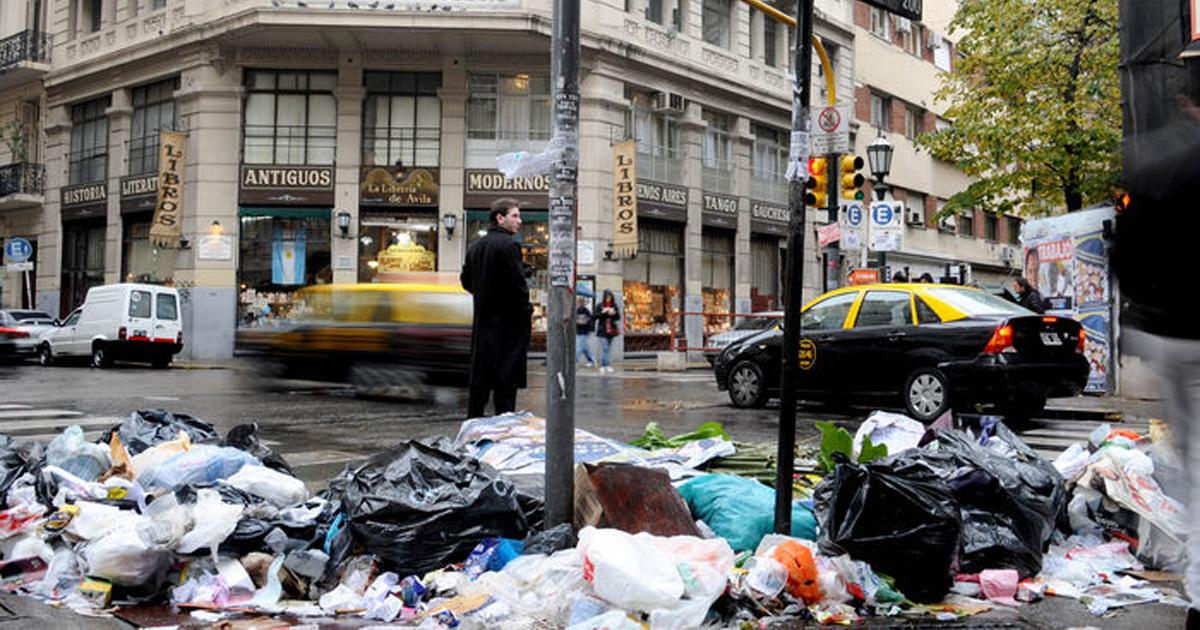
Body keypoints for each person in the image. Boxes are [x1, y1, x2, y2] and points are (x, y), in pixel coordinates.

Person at [1116, 98, 1200, 628]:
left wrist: (1143, 316)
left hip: (1169, 336)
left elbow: (1124, 249)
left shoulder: (1153, 161)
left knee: (1196, 463)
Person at [460, 198, 531, 418]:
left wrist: (484, 294)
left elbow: (465, 281)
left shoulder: (475, 246)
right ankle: (501, 441)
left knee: (478, 394)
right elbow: (519, 286)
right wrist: (526, 310)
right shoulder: (510, 245)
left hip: (483, 330)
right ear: (500, 218)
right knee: (505, 396)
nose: (519, 221)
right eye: (515, 216)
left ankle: (471, 438)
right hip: (507, 331)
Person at [594, 290, 621, 374]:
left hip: (611, 330)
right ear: (604, 297)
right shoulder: (600, 305)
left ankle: (605, 365)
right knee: (605, 348)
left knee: (607, 349)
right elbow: (595, 316)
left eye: (610, 297)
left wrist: (614, 313)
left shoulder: (614, 305)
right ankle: (605, 365)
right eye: (607, 297)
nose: (608, 299)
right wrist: (603, 312)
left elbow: (618, 317)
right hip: (602, 330)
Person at [575, 296, 596, 368]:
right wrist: (578, 321)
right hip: (577, 331)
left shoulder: (586, 311)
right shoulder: (576, 311)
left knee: (579, 347)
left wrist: (582, 321)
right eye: (578, 302)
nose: (579, 304)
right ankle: (592, 360)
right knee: (585, 348)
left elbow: (589, 320)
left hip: (584, 331)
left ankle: (575, 360)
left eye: (581, 302)